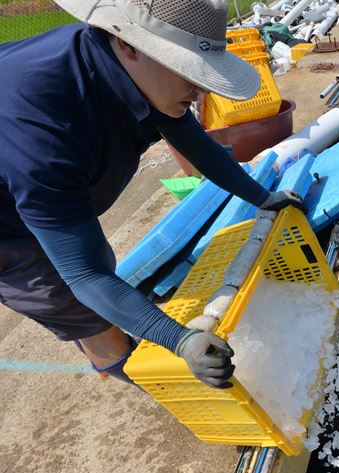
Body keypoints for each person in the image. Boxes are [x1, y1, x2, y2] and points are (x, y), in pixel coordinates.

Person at [0, 0, 304, 388]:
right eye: (189, 70)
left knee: (99, 270)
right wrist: (181, 339)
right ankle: (135, 375)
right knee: (80, 307)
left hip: (27, 179)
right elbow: (85, 275)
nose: (200, 91)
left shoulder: (137, 71)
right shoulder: (41, 133)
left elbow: (197, 145)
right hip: (6, 229)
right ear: (129, 44)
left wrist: (261, 197)